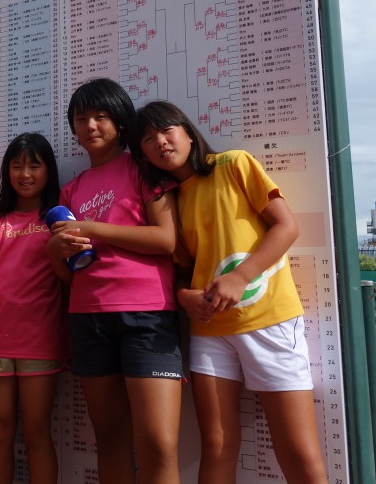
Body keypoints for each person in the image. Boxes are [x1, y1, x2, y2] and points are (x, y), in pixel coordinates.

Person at [134, 100, 328, 484]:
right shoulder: (170, 200)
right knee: (217, 445)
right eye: (148, 139)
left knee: (298, 451)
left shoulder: (234, 163)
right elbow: (183, 271)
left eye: (167, 130)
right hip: (209, 332)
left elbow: (286, 226)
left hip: (269, 321)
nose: (161, 142)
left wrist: (241, 277)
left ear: (189, 133)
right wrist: (183, 297)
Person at [47, 78, 183, 484]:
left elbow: (167, 240)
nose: (90, 126)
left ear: (121, 122)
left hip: (148, 315)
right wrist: (56, 253)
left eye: (101, 116)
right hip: (87, 318)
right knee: (108, 440)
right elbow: (66, 276)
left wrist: (94, 229)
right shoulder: (70, 191)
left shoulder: (144, 168)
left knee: (158, 444)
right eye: (81, 118)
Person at [0, 132, 68, 484]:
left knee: (36, 434)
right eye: (17, 166)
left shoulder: (59, 218)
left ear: (49, 171)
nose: (25, 174)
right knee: (0, 432)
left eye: (34, 166)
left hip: (41, 343)